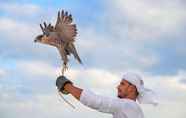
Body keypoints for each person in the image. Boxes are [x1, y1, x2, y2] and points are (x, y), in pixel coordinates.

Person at [56, 72, 157, 118]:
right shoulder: (131, 108)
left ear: (132, 88)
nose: (117, 87)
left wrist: (66, 86)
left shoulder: (127, 105)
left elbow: (95, 101)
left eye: (122, 84)